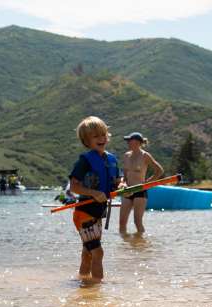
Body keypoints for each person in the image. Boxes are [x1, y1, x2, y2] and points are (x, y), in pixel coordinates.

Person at [69, 116, 122, 283]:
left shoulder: (112, 160)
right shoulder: (84, 161)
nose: (101, 138)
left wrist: (122, 186)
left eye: (103, 134)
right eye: (96, 136)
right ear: (86, 141)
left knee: (88, 252)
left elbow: (117, 181)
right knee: (98, 252)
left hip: (98, 213)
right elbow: (74, 187)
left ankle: (84, 284)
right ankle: (97, 289)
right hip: (84, 212)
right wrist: (93, 193)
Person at [118, 132, 165, 234]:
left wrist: (147, 183)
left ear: (138, 142)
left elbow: (159, 171)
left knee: (137, 221)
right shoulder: (126, 155)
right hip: (127, 191)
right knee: (122, 222)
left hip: (140, 191)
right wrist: (122, 183)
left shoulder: (145, 156)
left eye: (129, 140)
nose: (128, 142)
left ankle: (142, 241)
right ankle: (124, 243)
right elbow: (124, 175)